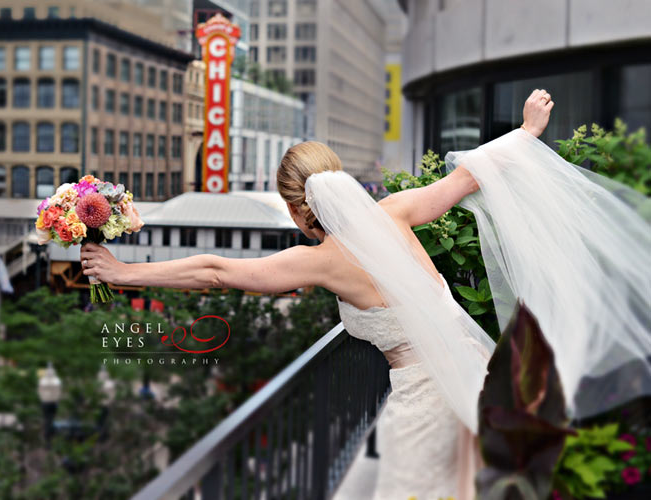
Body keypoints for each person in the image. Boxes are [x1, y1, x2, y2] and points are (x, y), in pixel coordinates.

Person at [81, 89, 651, 499]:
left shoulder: (320, 261)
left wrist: (123, 273)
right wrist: (526, 133)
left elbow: (214, 271)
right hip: (477, 374)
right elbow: (469, 176)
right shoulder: (395, 212)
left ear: (296, 207)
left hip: (427, 402)